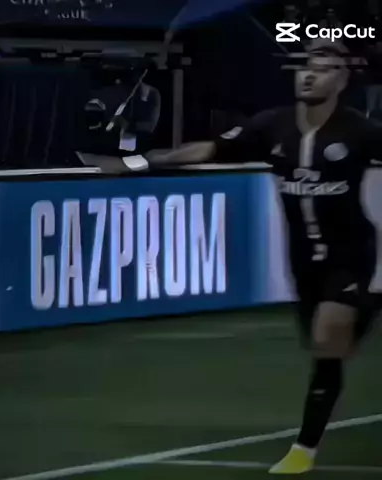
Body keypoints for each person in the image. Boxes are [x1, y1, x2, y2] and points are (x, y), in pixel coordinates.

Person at [129, 39, 382, 474]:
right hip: (302, 259)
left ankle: (303, 450)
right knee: (325, 349)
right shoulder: (272, 125)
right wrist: (148, 161)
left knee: (328, 337)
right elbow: (210, 149)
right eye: (306, 66)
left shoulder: (359, 130)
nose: (310, 74)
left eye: (323, 68)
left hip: (351, 251)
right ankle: (370, 307)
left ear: (341, 80)